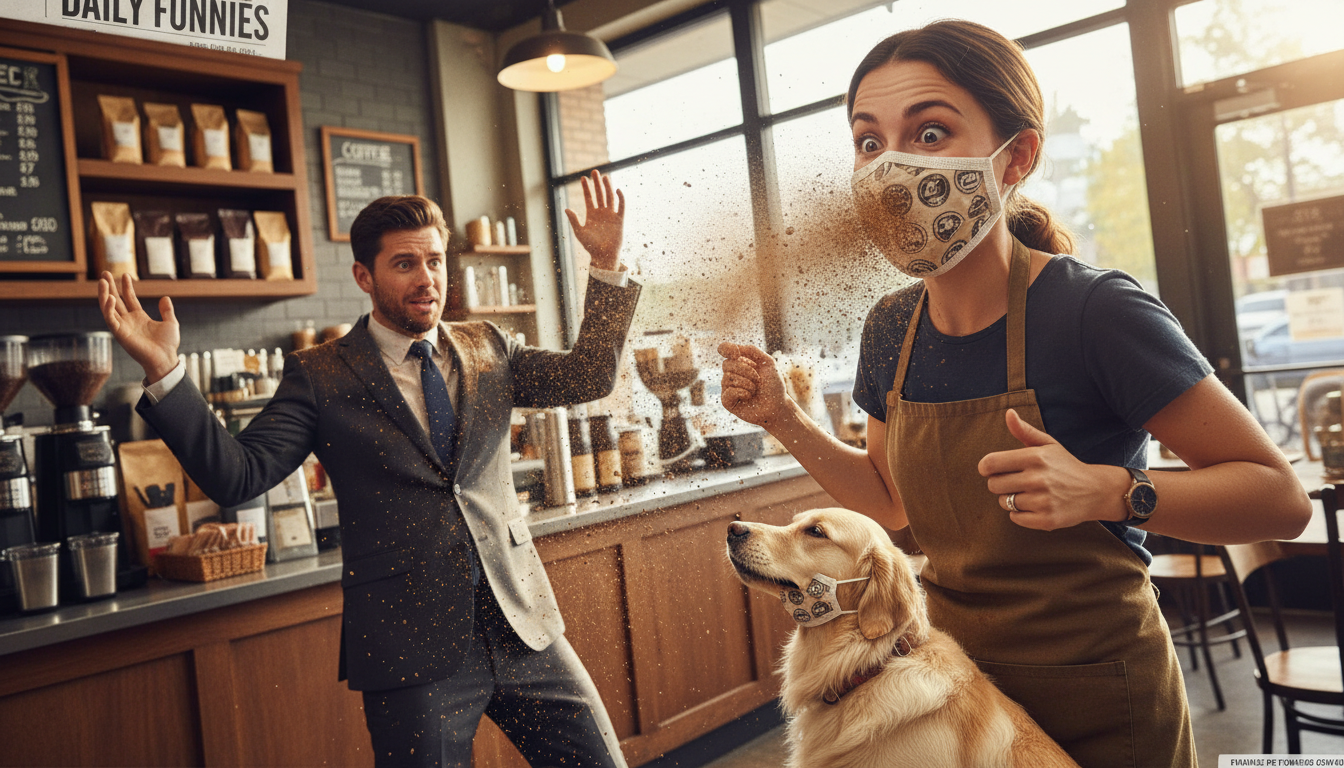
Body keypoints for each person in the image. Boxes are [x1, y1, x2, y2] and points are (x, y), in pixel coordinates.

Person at [717, 20, 1311, 768]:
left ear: (1016, 156)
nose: (891, 165)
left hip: (1101, 696)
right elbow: (891, 505)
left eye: (930, 133)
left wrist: (1110, 490)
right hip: (950, 691)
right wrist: (785, 420)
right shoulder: (891, 329)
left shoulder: (1096, 312)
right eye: (870, 142)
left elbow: (1279, 501)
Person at [98, 171, 640, 768]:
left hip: (524, 624)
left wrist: (607, 264)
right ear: (365, 276)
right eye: (405, 264)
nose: (427, 278)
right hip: (411, 652)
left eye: (435, 261)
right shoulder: (320, 375)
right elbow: (238, 474)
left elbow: (589, 376)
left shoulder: (490, 345)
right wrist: (165, 372)